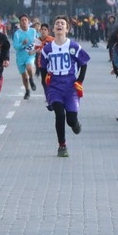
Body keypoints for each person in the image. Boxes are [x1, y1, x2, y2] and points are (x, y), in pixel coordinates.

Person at [39, 15, 90, 158]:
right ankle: (62, 146)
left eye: (62, 23)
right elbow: (43, 69)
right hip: (55, 85)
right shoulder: (47, 49)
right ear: (53, 29)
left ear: (67, 29)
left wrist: (79, 81)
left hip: (70, 86)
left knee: (70, 119)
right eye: (57, 23)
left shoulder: (73, 46)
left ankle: (75, 124)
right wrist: (46, 88)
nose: (59, 25)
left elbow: (84, 63)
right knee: (59, 114)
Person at [12, 14, 38, 99]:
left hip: (30, 54)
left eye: (25, 20)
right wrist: (22, 44)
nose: (24, 22)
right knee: (24, 76)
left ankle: (31, 79)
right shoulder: (17, 34)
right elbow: (15, 46)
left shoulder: (33, 31)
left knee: (29, 67)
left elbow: (39, 41)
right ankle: (27, 91)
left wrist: (36, 50)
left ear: (28, 21)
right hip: (20, 56)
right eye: (22, 20)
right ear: (20, 23)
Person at [35, 23, 54, 90]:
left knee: (50, 80)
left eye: (45, 29)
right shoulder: (37, 40)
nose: (43, 31)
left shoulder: (52, 40)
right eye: (42, 29)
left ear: (48, 31)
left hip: (51, 63)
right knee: (43, 81)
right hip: (42, 63)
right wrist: (37, 51)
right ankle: (47, 95)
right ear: (40, 31)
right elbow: (32, 50)